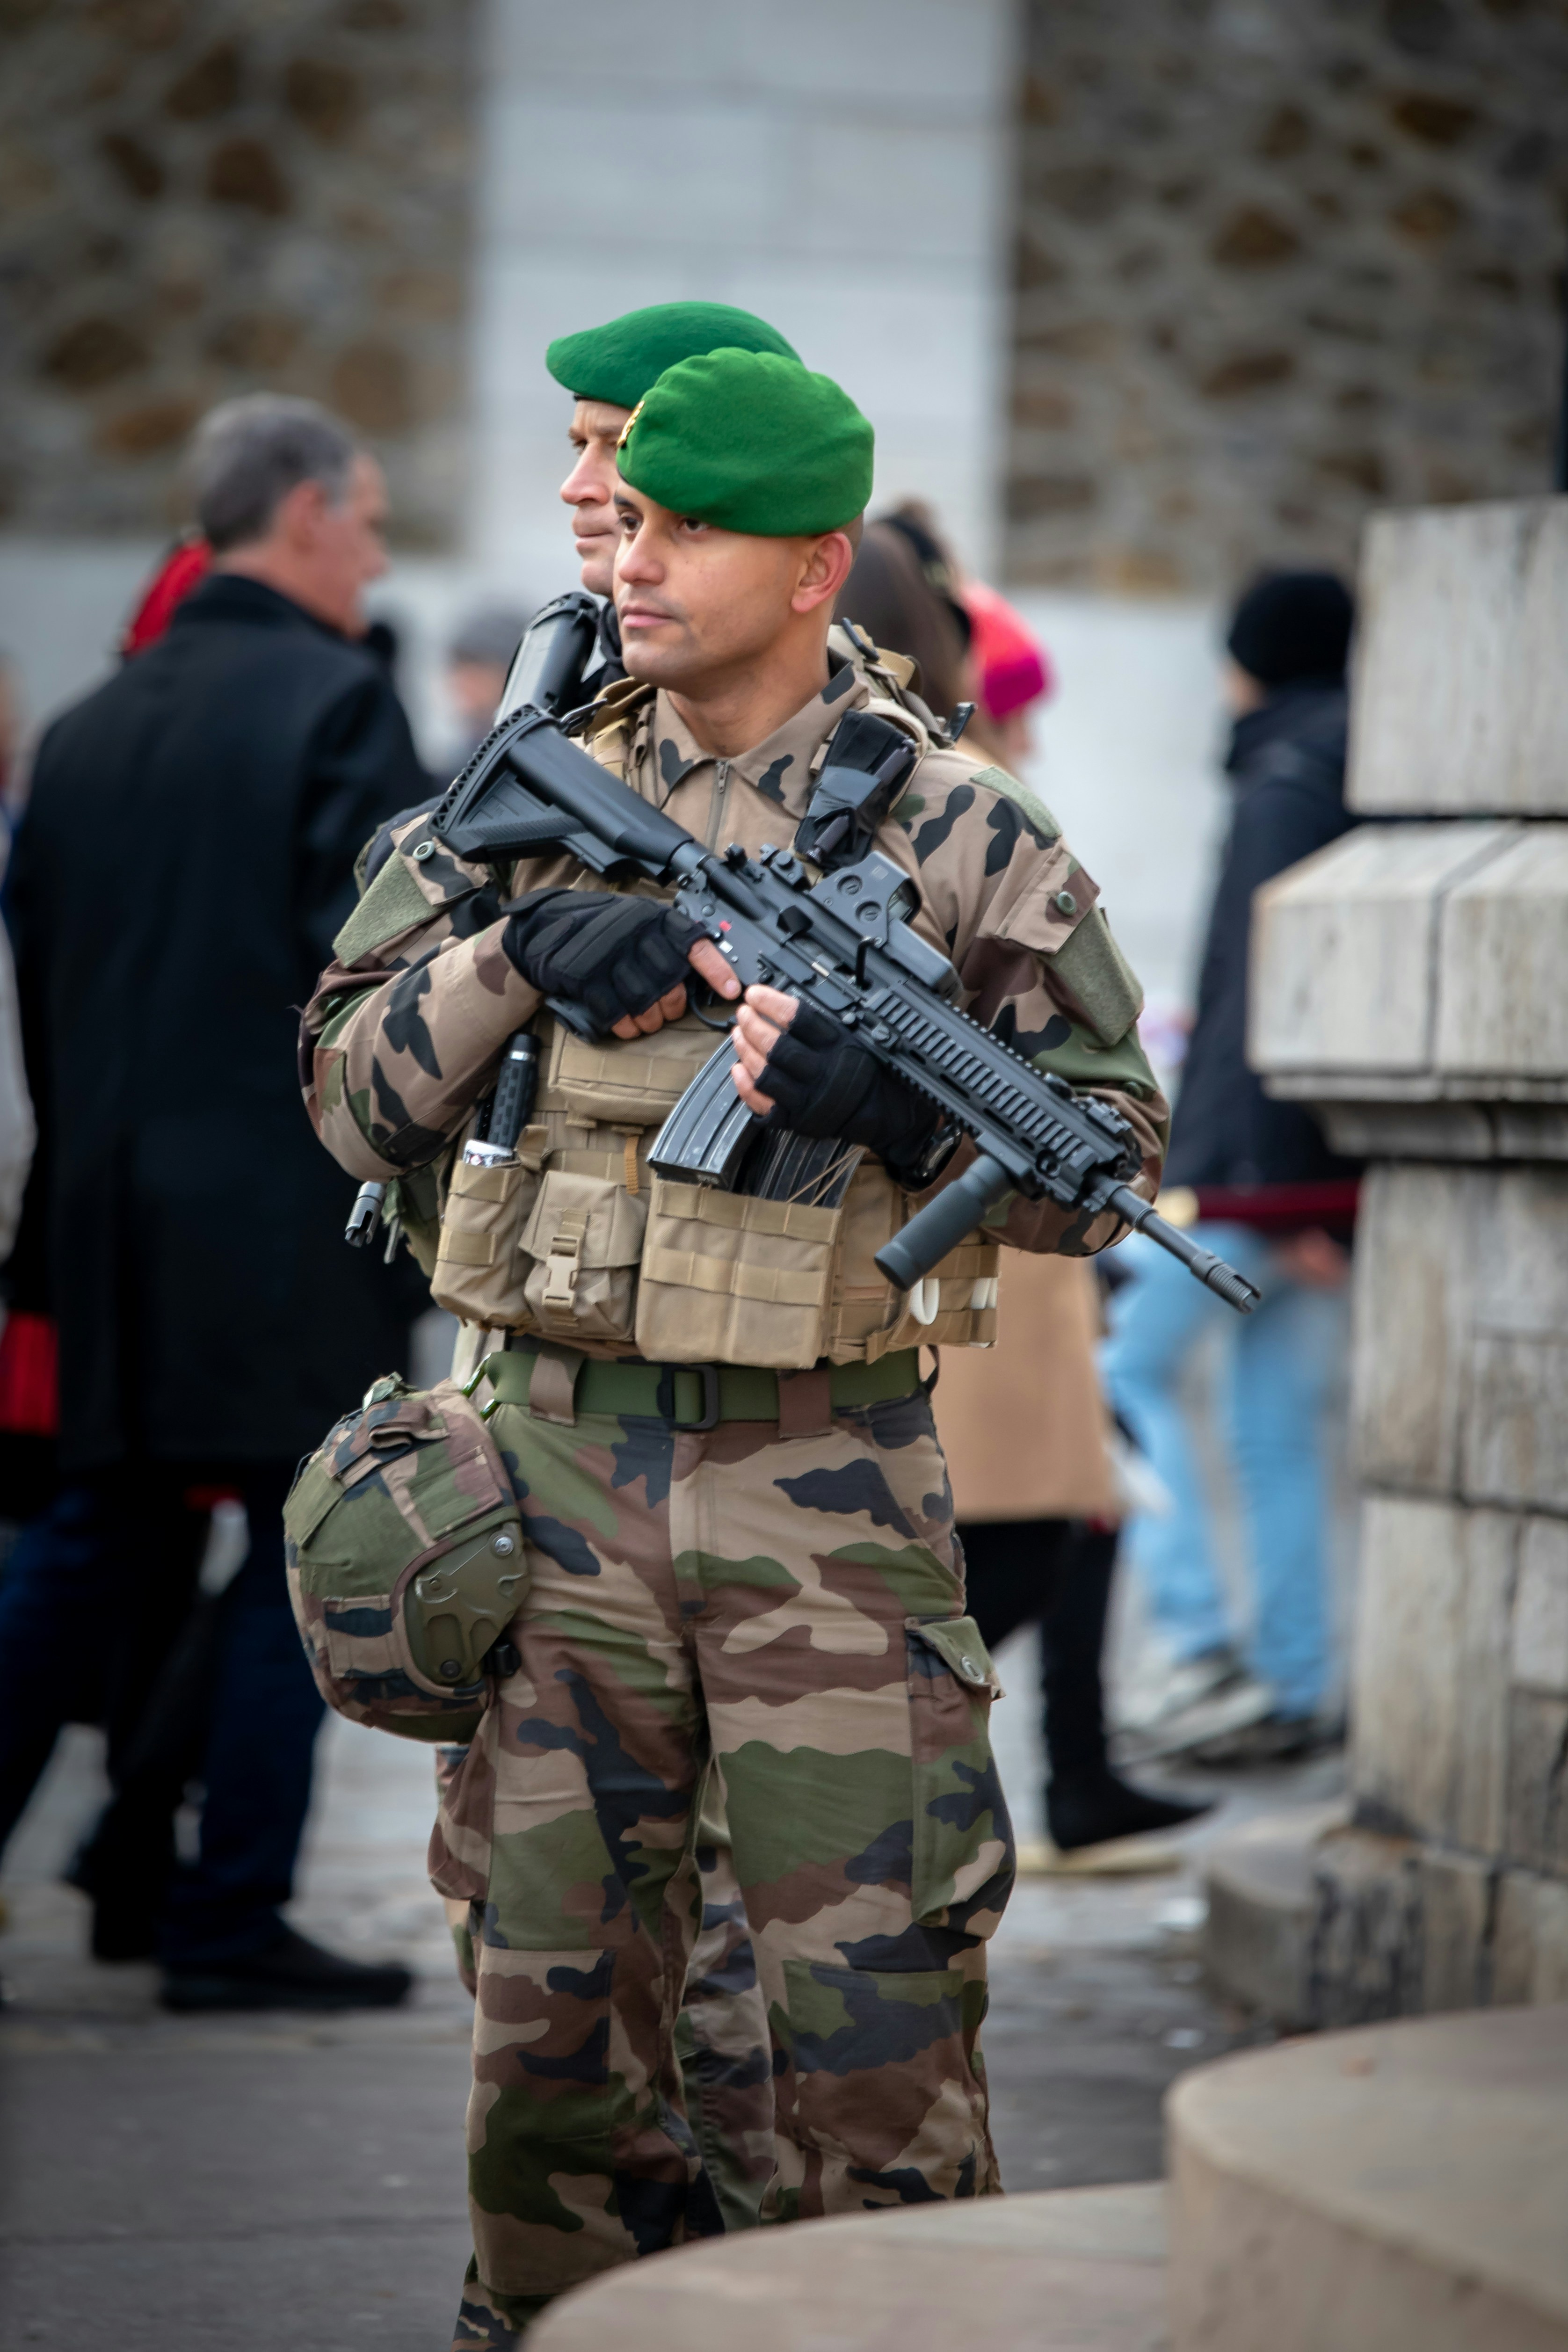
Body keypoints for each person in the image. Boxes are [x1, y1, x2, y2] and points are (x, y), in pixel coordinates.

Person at [303, 342, 1165, 2342]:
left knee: (871, 2052)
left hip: (822, 1495)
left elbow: (1107, 1164)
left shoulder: (961, 830)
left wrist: (896, 1109)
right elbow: (346, 1092)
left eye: (690, 528)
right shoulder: (527, 786)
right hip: (547, 1487)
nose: (631, 550)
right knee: (552, 2050)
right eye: (634, 513)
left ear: (810, 565)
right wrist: (512, 957)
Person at [5, 393, 431, 2008]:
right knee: (302, 1556)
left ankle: (144, 1866)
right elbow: (373, 989)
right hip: (276, 1219)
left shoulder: (92, 727)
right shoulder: (338, 702)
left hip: (102, 1209)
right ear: (309, 514)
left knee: (84, 1541)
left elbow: (40, 987)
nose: (376, 549)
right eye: (373, 517)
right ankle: (226, 1910)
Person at [836, 518, 1206, 1857]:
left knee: (1038, 1542)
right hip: (961, 1263)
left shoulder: (934, 782)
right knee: (1009, 1560)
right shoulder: (947, 787)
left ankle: (996, 1780)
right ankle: (878, 1788)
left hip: (989, 1254)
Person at [1101, 569, 1360, 1764]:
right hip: (1303, 1177)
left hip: (1261, 1181)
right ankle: (1296, 1686)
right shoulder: (1343, 763)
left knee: (1119, 1378)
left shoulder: (1284, 778)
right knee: (1267, 1424)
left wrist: (1275, 1193)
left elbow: (1274, 999)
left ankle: (1204, 1635)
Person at [445, 603, 531, 763]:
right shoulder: (453, 765)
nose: (463, 682)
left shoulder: (534, 753)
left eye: (478, 668)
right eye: (460, 667)